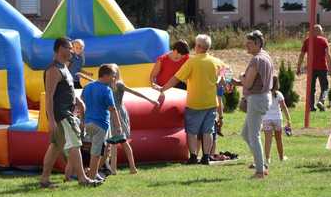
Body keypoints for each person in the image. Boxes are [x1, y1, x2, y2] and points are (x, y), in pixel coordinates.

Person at [39, 37, 100, 188]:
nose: (72, 50)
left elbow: (67, 90)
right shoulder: (54, 69)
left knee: (55, 147)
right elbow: (49, 96)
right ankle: (83, 179)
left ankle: (44, 180)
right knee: (74, 143)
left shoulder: (64, 67)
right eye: (69, 48)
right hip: (61, 114)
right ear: (60, 49)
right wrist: (52, 120)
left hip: (66, 112)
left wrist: (78, 101)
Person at [154, 34, 223, 165]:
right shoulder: (216, 61)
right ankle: (206, 157)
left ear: (198, 47)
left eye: (195, 44)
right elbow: (227, 72)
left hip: (195, 103)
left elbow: (176, 78)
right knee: (208, 131)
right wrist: (225, 83)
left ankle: (193, 157)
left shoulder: (191, 62)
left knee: (192, 131)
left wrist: (163, 89)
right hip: (211, 103)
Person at [80, 64, 157, 174]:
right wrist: (82, 75)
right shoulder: (105, 86)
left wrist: (150, 100)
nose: (113, 78)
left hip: (118, 115)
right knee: (111, 144)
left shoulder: (117, 85)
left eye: (115, 75)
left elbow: (134, 92)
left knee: (122, 141)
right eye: (112, 75)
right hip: (108, 116)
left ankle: (132, 167)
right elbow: (95, 82)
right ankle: (112, 169)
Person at [232, 30, 274, 179]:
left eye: (249, 43)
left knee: (253, 135)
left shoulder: (257, 60)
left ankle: (260, 171)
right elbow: (252, 82)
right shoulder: (266, 56)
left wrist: (240, 77)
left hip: (257, 99)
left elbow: (248, 82)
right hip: (261, 97)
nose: (246, 46)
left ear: (257, 43)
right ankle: (261, 164)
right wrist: (237, 82)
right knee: (246, 134)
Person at [81, 64, 123, 180]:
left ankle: (93, 172)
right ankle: (92, 177)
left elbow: (82, 102)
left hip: (88, 123)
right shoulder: (106, 89)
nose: (114, 79)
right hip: (100, 124)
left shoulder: (88, 86)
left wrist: (83, 120)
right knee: (96, 152)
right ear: (105, 75)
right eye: (113, 76)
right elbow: (112, 109)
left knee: (101, 150)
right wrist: (118, 126)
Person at [296, 24, 331, 111]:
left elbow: (301, 55)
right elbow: (328, 55)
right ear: (320, 31)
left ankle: (311, 107)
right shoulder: (324, 41)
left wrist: (298, 67)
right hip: (322, 67)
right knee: (325, 87)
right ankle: (321, 100)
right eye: (321, 30)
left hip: (311, 68)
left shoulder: (307, 41)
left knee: (311, 88)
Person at [262, 76, 291, 166]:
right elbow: (284, 107)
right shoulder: (279, 94)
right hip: (277, 119)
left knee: (268, 140)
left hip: (266, 119)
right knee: (279, 139)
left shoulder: (264, 93)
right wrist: (288, 119)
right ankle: (281, 157)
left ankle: (267, 159)